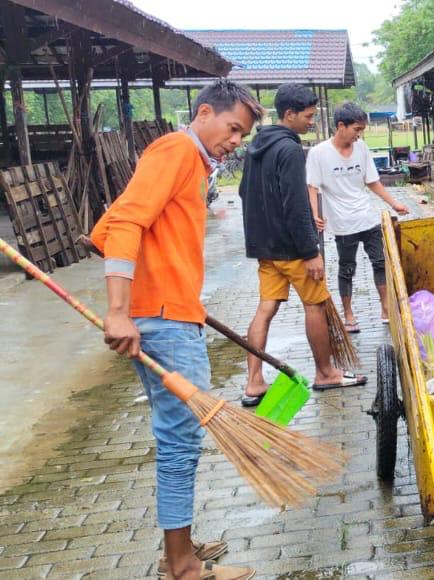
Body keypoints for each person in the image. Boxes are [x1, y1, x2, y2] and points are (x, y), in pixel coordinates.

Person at [92, 79, 263, 580]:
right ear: (205, 112)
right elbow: (124, 223)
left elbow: (109, 230)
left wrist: (179, 296)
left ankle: (181, 548)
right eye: (233, 128)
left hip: (174, 311)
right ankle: (182, 568)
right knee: (180, 440)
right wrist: (119, 310)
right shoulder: (175, 150)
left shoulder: (194, 163)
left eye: (242, 135)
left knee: (179, 438)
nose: (235, 141)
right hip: (162, 321)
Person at [239, 83, 365, 407]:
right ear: (289, 114)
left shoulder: (257, 146)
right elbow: (296, 205)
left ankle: (253, 381)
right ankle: (325, 373)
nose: (312, 122)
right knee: (316, 305)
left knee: (265, 309)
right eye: (308, 116)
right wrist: (311, 252)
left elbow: (243, 193)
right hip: (294, 250)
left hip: (266, 249)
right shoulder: (291, 150)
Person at [307, 102, 411, 331]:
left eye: (361, 130)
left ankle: (386, 308)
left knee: (380, 262)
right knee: (347, 268)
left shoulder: (361, 147)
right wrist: (314, 214)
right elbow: (312, 187)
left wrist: (394, 203)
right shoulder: (319, 153)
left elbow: (371, 180)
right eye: (356, 129)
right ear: (341, 126)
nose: (359, 135)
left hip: (366, 216)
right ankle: (349, 314)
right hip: (343, 223)